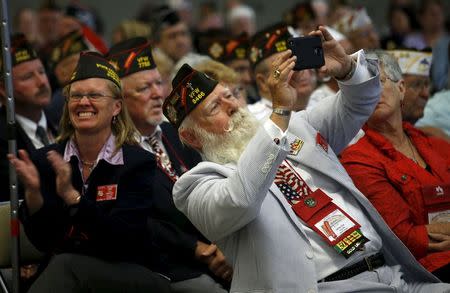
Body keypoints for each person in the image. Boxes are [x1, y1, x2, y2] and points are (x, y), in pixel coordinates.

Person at [163, 26, 450, 292]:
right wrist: (280, 113)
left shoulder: (297, 128)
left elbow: (359, 103)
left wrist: (348, 69)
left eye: (229, 95)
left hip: (392, 275)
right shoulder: (194, 186)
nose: (233, 106)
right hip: (326, 287)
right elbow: (242, 198)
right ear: (192, 138)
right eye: (216, 106)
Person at [8, 51, 171, 293]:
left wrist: (73, 198)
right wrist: (34, 195)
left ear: (116, 106)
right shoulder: (47, 160)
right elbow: (44, 241)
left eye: (94, 95)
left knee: (66, 265)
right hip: (70, 276)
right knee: (65, 265)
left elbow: (122, 241)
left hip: (133, 272)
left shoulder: (137, 162)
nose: (83, 102)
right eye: (76, 96)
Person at [107, 37, 231, 293]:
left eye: (158, 83)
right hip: (166, 266)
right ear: (119, 103)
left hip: (218, 246)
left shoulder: (175, 132)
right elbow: (140, 222)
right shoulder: (113, 152)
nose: (157, 94)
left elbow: (214, 186)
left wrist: (224, 244)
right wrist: (200, 250)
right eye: (143, 89)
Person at [340, 50, 450, 281]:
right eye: (362, 87)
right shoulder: (357, 158)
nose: (371, 92)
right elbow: (402, 236)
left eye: (378, 81)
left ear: (401, 89)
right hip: (423, 271)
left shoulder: (436, 144)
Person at [0, 34, 57, 202]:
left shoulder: (63, 124)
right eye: (28, 77)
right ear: (4, 90)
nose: (41, 82)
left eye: (41, 72)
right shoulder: (3, 138)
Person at [248, 23, 316, 121]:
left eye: (300, 60)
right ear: (263, 82)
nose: (301, 70)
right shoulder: (253, 121)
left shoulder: (321, 102)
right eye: (288, 65)